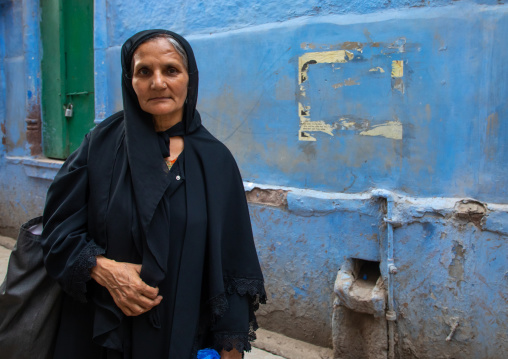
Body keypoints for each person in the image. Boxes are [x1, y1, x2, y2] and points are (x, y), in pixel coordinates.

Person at [41, 29, 266, 359]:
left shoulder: (215, 161)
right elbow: (57, 233)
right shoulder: (100, 146)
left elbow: (233, 264)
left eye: (171, 70)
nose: (157, 82)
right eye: (143, 71)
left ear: (190, 78)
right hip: (101, 336)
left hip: (181, 337)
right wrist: (102, 269)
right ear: (129, 81)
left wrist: (230, 350)